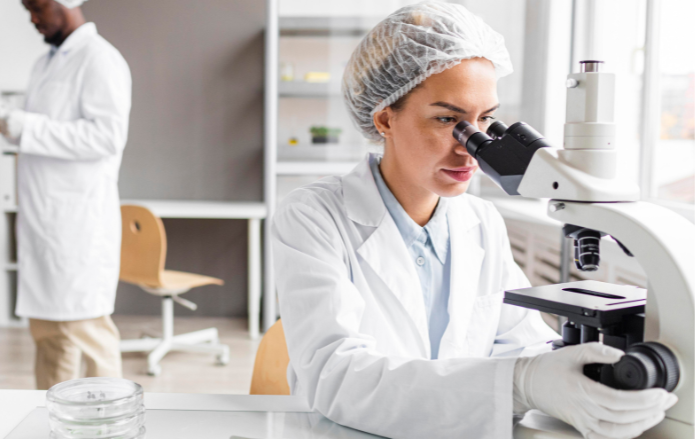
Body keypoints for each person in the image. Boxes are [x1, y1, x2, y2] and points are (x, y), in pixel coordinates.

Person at [271, 2, 676, 439]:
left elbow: (521, 343)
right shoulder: (314, 217)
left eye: (484, 120)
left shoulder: (480, 220)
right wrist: (521, 384)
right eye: (447, 119)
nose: (470, 147)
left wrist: (576, 377)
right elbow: (337, 379)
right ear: (385, 118)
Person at [0, 0, 132, 390]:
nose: (32, 19)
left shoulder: (99, 59)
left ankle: (107, 422)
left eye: (37, 8)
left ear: (64, 4)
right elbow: (45, 128)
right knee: (50, 336)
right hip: (44, 220)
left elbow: (106, 137)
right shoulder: (44, 64)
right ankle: (52, 419)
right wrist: (10, 120)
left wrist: (26, 126)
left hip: (78, 225)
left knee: (86, 330)